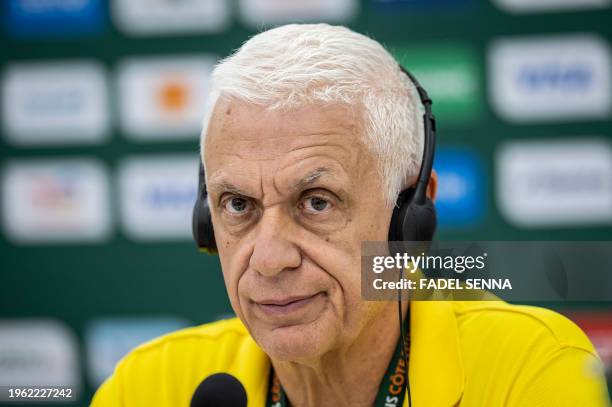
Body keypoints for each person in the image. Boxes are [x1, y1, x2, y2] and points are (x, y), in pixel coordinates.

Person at [91, 24, 610, 407]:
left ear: (410, 217)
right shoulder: (149, 385)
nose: (268, 260)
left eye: (316, 202)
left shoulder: (526, 369)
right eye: (238, 205)